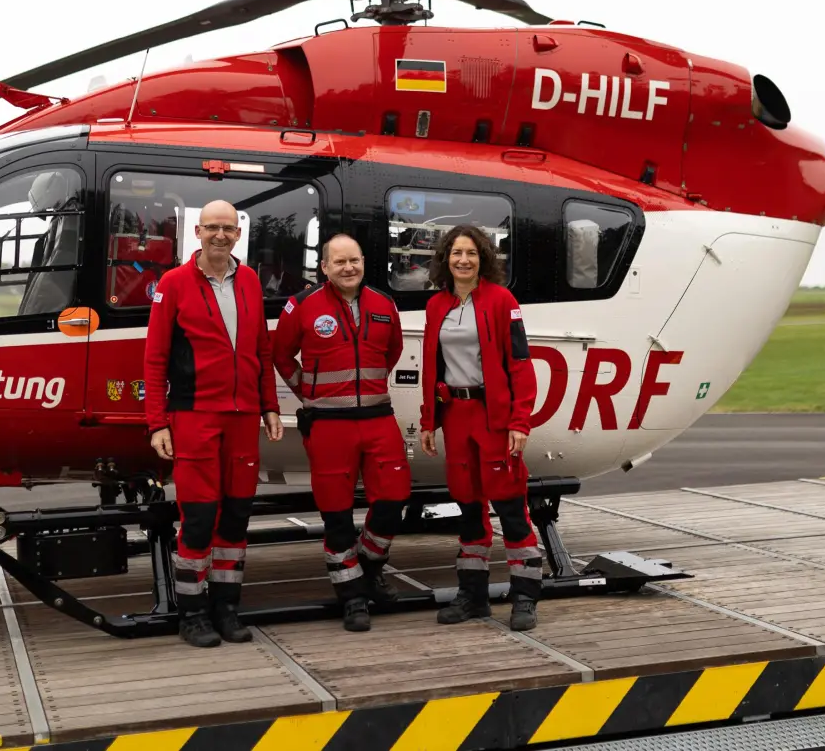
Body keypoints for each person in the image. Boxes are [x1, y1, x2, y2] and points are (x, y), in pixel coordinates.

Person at [145, 199, 283, 648]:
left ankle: (227, 607)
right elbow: (155, 358)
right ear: (198, 232)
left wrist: (270, 406)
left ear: (238, 234)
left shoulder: (249, 281)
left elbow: (262, 350)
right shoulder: (174, 283)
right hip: (195, 416)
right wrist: (156, 423)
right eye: (212, 228)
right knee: (200, 517)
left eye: (228, 228)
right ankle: (193, 613)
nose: (220, 235)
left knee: (237, 517)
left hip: (243, 418)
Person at [272, 234, 408, 632]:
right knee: (337, 515)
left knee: (394, 498)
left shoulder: (384, 305)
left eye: (355, 260)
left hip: (379, 418)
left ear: (363, 261)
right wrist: (308, 391)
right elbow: (280, 355)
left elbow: (392, 351)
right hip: (329, 424)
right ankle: (351, 597)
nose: (348, 268)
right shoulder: (301, 306)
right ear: (325, 268)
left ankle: (366, 571)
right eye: (339, 262)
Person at [418, 224, 542, 631]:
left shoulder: (502, 301)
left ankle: (525, 597)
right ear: (446, 259)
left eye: (471, 253)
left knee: (509, 505)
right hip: (456, 415)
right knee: (468, 506)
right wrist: (429, 421)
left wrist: (519, 421)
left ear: (483, 258)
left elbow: (521, 365)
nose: (463, 260)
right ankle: (472, 596)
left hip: (494, 417)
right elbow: (432, 367)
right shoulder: (437, 305)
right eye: (456, 253)